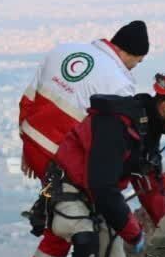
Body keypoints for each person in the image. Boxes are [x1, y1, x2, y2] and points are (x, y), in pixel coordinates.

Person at [25, 68, 165, 257]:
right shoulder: (116, 124)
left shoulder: (146, 129)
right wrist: (133, 233)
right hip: (69, 191)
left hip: (94, 203)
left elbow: (146, 182)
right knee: (86, 244)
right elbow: (102, 186)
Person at [19, 20, 150, 181]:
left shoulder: (62, 50)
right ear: (132, 53)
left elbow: (28, 100)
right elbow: (109, 142)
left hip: (33, 146)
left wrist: (28, 146)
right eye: (138, 61)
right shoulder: (121, 84)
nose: (134, 67)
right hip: (63, 162)